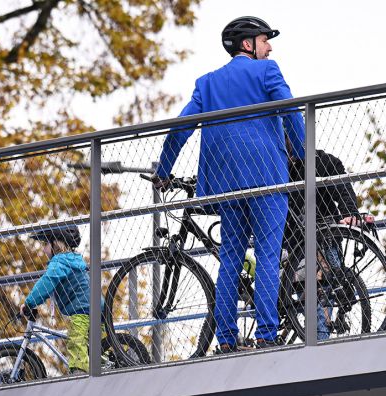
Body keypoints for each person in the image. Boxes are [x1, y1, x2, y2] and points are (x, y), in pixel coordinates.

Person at [152, 16, 305, 353]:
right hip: (267, 177)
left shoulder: (206, 83)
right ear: (248, 44)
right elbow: (293, 111)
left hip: (227, 183)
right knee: (267, 254)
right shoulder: (268, 71)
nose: (270, 47)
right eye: (265, 40)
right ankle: (266, 333)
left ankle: (226, 338)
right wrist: (304, 154)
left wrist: (164, 170)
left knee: (231, 258)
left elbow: (180, 128)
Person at [283, 149, 374, 339]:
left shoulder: (316, 160)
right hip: (294, 240)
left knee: (328, 284)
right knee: (312, 289)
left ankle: (320, 338)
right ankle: (317, 336)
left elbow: (339, 179)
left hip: (325, 233)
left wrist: (349, 211)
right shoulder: (277, 164)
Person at [21, 227, 92, 374]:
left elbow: (47, 282)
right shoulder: (71, 259)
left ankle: (79, 374)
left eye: (46, 244)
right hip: (92, 307)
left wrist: (29, 303)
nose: (44, 249)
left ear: (56, 244)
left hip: (83, 309)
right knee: (97, 346)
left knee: (76, 340)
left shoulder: (60, 262)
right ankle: (106, 364)